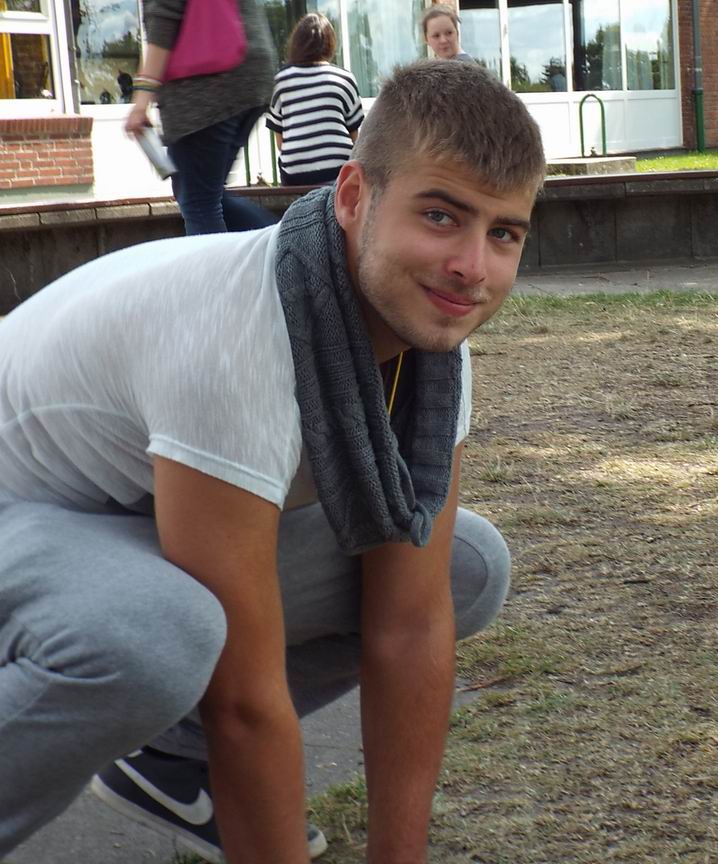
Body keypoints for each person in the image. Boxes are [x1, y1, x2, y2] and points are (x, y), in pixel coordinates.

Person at [0, 60, 546, 864]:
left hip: (116, 520)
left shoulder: (431, 341)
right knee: (159, 635)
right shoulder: (241, 338)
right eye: (440, 215)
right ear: (353, 197)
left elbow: (410, 623)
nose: (473, 266)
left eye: (503, 233)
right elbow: (246, 703)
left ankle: (169, 764)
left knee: (464, 564)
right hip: (23, 516)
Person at [125, 0, 278, 235]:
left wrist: (140, 103)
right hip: (252, 73)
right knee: (207, 195)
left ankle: (293, 248)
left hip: (208, 85)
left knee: (198, 202)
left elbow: (164, 22)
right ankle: (290, 242)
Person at [267, 13, 365, 187]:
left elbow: (280, 142)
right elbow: (355, 137)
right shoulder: (344, 78)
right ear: (330, 44)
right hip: (339, 170)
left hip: (295, 173)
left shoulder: (280, 80)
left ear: (296, 44)